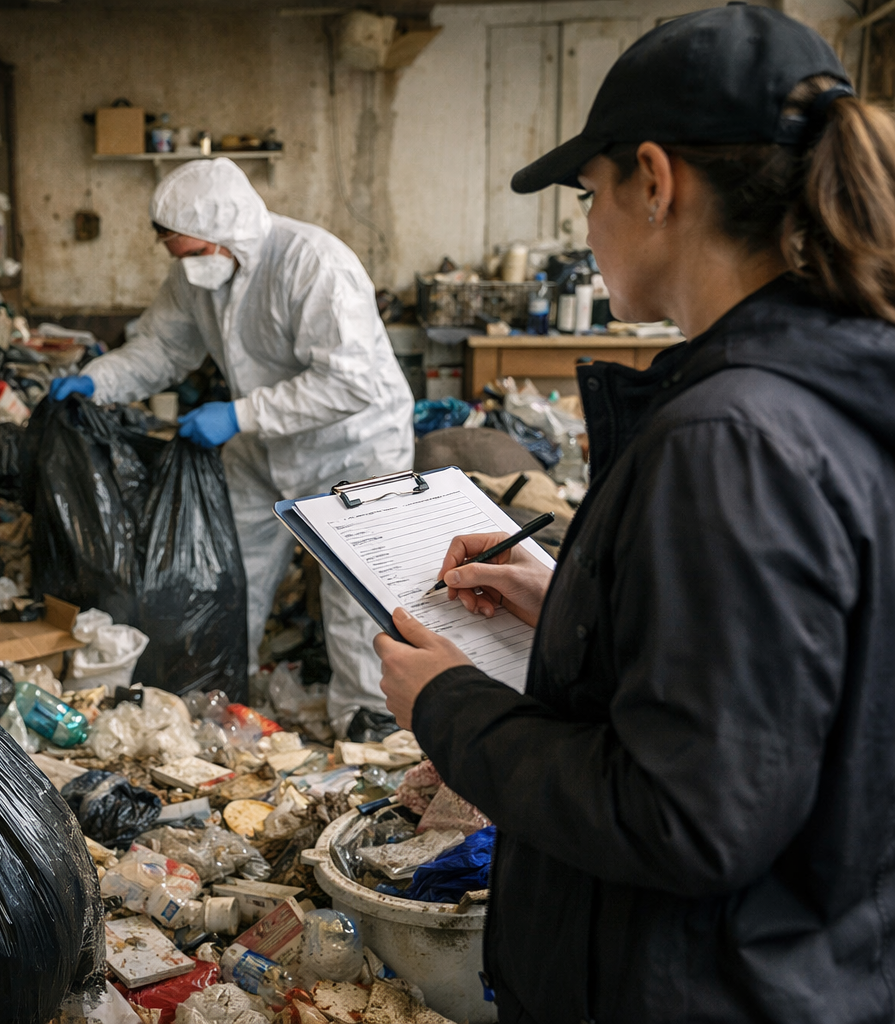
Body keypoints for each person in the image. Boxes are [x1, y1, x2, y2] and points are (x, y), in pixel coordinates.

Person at [373, 6, 895, 1021]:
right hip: (815, 961)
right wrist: (584, 609)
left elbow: (685, 815)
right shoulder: (836, 383)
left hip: (699, 986)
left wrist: (448, 705)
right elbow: (796, 690)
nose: (586, 228)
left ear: (655, 181)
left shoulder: (732, 436)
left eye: (588, 195)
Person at [50, 158, 414, 736]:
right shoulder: (196, 276)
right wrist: (99, 380)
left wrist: (239, 414)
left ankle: (364, 719)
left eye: (196, 253)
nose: (189, 267)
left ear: (229, 232)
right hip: (261, 445)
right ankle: (223, 692)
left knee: (355, 592)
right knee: (229, 571)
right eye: (177, 255)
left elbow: (350, 383)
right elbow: (163, 348)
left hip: (353, 447)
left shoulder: (313, 263)